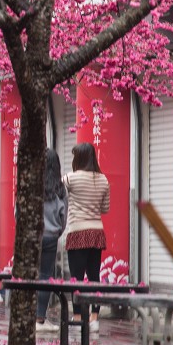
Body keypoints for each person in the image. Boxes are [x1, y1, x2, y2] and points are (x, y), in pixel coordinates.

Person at [63, 141, 110, 332]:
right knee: (94, 277)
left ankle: (76, 316)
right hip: (96, 232)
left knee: (77, 278)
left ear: (79, 158)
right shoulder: (103, 180)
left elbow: (59, 194)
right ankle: (94, 318)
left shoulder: (70, 178)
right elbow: (105, 209)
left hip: (77, 231)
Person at [36, 148, 68, 333]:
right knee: (45, 276)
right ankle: (40, 318)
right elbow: (64, 215)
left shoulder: (32, 184)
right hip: (51, 237)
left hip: (33, 237)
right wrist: (57, 231)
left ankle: (28, 316)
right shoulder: (59, 188)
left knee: (29, 277)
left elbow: (19, 211)